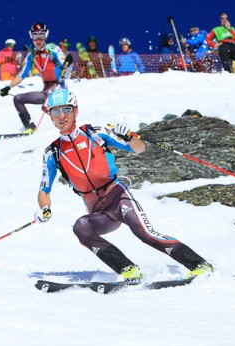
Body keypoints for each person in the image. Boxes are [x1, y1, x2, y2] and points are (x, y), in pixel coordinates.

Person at [35, 88, 214, 282]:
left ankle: (199, 264)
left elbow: (139, 149)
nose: (62, 116)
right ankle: (128, 270)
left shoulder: (95, 133)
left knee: (144, 233)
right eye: (56, 111)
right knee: (81, 227)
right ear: (50, 117)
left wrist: (129, 136)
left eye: (66, 110)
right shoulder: (52, 153)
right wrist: (45, 209)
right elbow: (44, 191)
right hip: (98, 211)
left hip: (118, 197)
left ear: (76, 111)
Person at [0, 22, 70, 133]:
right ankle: (29, 127)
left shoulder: (53, 49)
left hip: (58, 88)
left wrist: (67, 62)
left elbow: (63, 63)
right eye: (35, 36)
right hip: (46, 90)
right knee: (18, 99)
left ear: (45, 36)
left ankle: (66, 128)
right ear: (31, 37)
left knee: (47, 106)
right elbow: (22, 74)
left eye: (41, 36)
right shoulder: (31, 55)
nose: (38, 40)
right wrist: (8, 87)